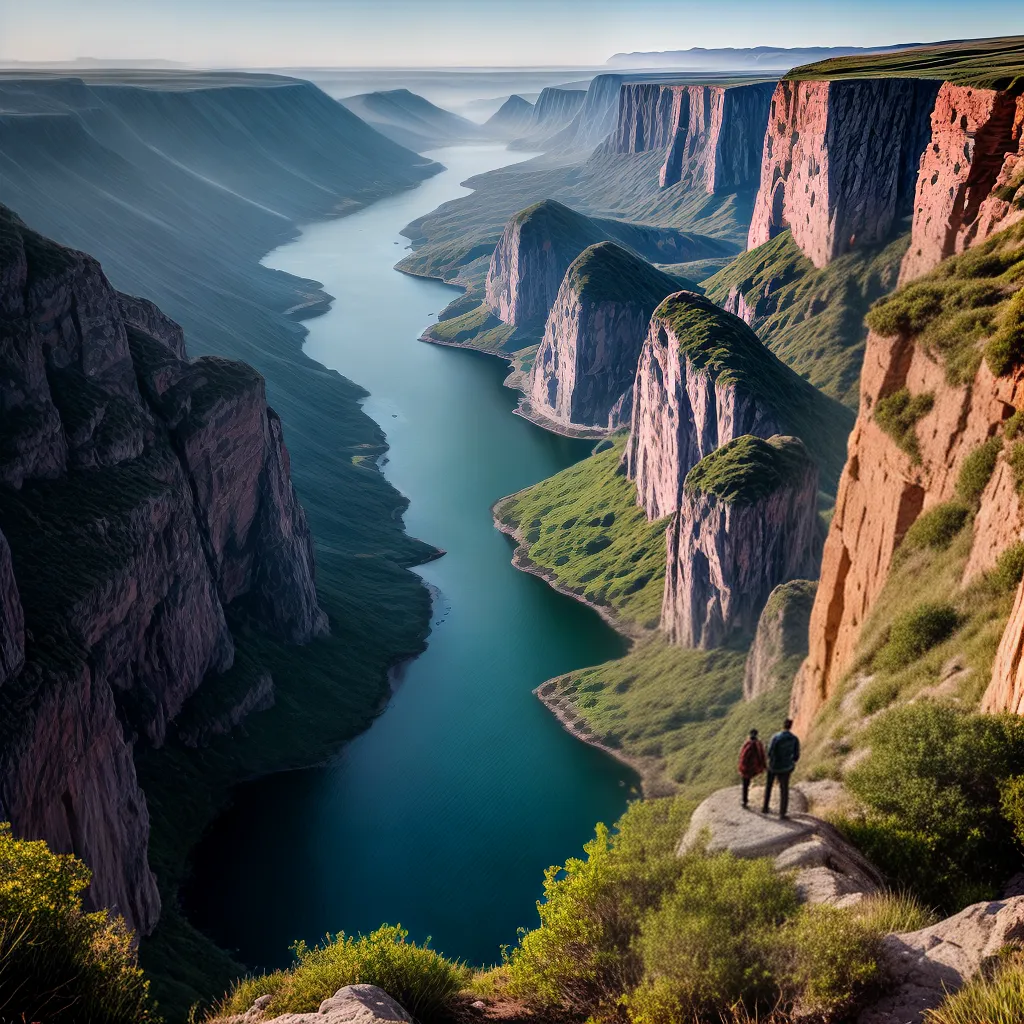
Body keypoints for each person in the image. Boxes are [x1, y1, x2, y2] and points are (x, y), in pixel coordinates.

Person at [762, 718, 800, 818]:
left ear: (783, 725)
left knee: (769, 786)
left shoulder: (775, 737)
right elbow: (796, 756)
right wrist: (790, 762)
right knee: (784, 790)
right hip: (786, 767)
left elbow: (770, 752)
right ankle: (782, 813)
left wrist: (772, 761)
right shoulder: (794, 739)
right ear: (790, 726)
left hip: (774, 766)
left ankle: (765, 808)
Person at [737, 729, 766, 808]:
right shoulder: (759, 744)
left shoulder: (747, 744)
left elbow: (742, 757)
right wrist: (763, 767)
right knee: (753, 783)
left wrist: (741, 768)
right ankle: (764, 804)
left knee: (745, 785)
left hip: (746, 768)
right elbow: (762, 756)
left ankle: (744, 801)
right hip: (755, 768)